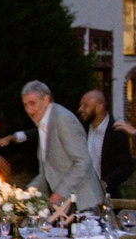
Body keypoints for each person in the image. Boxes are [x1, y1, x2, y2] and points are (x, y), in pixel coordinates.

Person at [22, 79, 102, 211]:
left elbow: (83, 161)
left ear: (46, 100)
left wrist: (59, 194)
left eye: (32, 103)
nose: (29, 110)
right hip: (67, 206)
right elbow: (46, 171)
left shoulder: (62, 119)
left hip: (85, 203)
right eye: (25, 105)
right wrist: (24, 195)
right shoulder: (43, 123)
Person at [82, 88, 135, 199]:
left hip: (106, 196)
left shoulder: (116, 132)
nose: (81, 109)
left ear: (99, 107)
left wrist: (105, 183)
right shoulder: (82, 128)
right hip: (82, 195)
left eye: (85, 106)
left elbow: (127, 166)